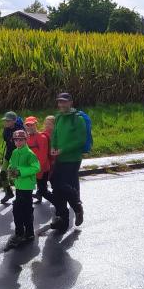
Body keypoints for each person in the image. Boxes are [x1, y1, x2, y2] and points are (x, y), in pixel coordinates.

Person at [50, 93, 88, 231]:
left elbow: (80, 141)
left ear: (71, 102)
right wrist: (53, 147)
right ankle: (62, 220)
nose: (61, 104)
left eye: (64, 102)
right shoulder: (59, 117)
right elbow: (55, 134)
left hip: (72, 159)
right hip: (59, 158)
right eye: (60, 102)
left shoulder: (78, 119)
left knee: (63, 186)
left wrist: (63, 149)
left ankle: (77, 207)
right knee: (56, 188)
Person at [8, 129, 41, 243]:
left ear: (25, 140)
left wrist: (20, 171)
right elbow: (12, 164)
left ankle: (28, 233)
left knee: (25, 211)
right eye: (16, 140)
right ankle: (21, 232)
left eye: (21, 140)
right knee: (18, 210)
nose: (18, 142)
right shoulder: (15, 152)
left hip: (27, 187)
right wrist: (10, 170)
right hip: (18, 185)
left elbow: (36, 167)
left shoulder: (30, 154)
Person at [0, 112, 25, 204]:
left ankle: (19, 197)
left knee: (16, 176)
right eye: (5, 120)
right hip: (8, 154)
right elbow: (7, 141)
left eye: (8, 121)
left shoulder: (20, 130)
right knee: (2, 173)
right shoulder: (6, 129)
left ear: (14, 121)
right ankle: (8, 193)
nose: (6, 122)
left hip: (17, 156)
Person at [24, 116, 52, 204]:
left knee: (43, 191)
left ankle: (59, 204)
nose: (29, 127)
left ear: (36, 125)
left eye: (31, 125)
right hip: (33, 168)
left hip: (42, 169)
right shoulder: (27, 138)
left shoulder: (42, 138)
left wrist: (35, 169)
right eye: (27, 125)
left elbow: (43, 157)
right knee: (38, 189)